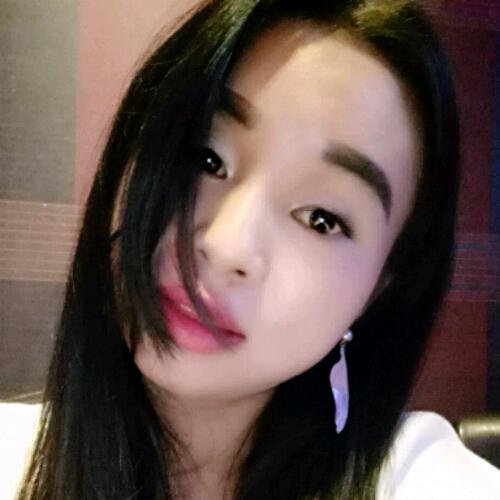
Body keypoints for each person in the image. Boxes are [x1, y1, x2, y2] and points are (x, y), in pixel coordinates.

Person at [2, 0, 500, 499]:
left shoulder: (419, 478)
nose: (226, 246)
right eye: (206, 158)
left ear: (377, 288)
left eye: (321, 219)